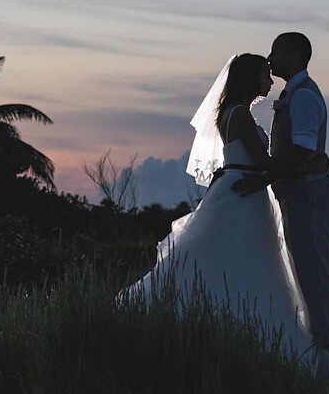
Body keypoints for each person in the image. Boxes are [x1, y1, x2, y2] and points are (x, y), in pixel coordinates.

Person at [121, 53, 314, 364]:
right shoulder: (238, 114)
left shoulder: (233, 111)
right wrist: (304, 158)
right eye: (264, 75)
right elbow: (262, 162)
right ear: (250, 78)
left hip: (240, 185)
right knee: (247, 263)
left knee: (238, 261)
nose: (269, 81)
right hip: (245, 190)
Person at [234, 32, 329, 380]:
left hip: (309, 194)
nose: (270, 57)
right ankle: (316, 347)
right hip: (297, 192)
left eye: (276, 51)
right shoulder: (291, 94)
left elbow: (301, 149)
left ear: (294, 55)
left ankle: (325, 355)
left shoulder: (305, 96)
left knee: (313, 273)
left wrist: (264, 180)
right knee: (304, 271)